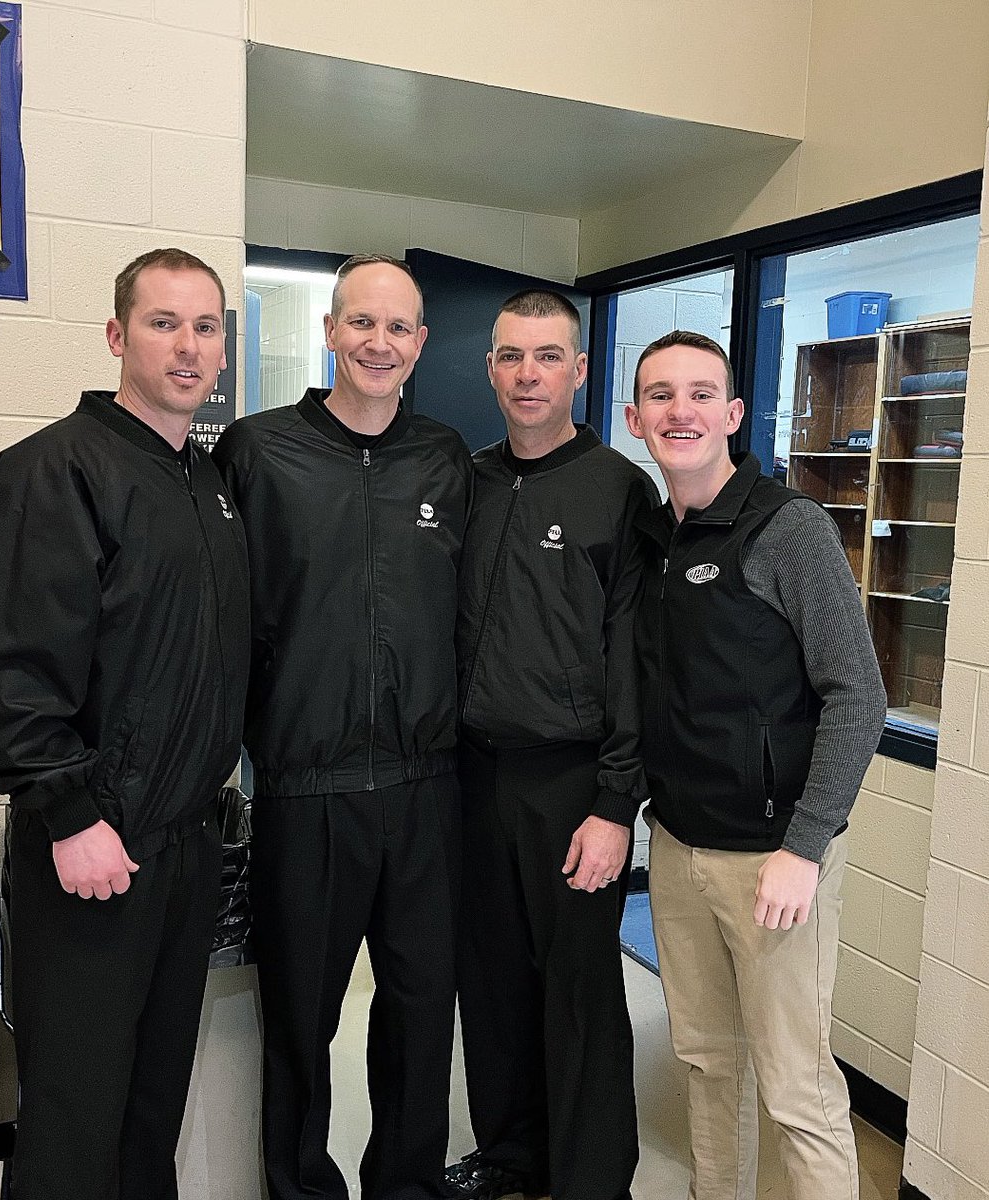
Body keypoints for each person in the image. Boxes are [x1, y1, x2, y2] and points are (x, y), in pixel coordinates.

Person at [0, 249, 251, 1200]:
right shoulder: (53, 471)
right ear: (118, 336)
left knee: (150, 1105)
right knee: (77, 1113)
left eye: (205, 327)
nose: (188, 345)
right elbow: (10, 670)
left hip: (183, 849)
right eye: (164, 323)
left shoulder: (204, 483)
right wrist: (70, 812)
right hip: (92, 850)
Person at [212, 254, 472, 1200]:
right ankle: (301, 1189)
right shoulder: (257, 450)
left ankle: (404, 1184)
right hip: (304, 789)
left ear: (420, 345)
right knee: (299, 1021)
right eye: (361, 323)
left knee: (415, 1013)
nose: (378, 343)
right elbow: (222, 615)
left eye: (398, 328)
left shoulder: (446, 456)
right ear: (329, 331)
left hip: (424, 792)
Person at [624, 329, 887, 1200]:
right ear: (634, 418)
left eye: (701, 393)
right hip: (677, 849)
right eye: (660, 395)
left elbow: (857, 696)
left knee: (796, 1089)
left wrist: (804, 846)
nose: (680, 411)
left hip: (775, 861)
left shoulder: (787, 527)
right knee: (704, 1063)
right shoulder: (652, 538)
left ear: (733, 414)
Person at [447, 290, 656, 1200]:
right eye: (509, 356)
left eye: (546, 356)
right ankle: (510, 1155)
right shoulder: (470, 480)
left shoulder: (619, 490)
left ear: (578, 370)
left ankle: (588, 1177)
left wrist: (616, 804)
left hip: (573, 782)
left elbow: (637, 658)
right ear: (489, 368)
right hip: (470, 776)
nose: (526, 373)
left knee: (576, 992)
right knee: (489, 986)